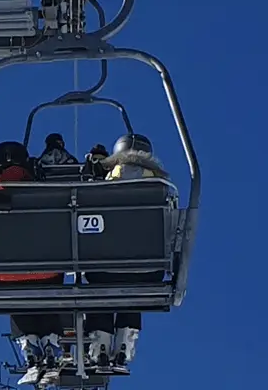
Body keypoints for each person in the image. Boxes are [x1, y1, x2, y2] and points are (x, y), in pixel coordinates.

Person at [0, 141, 65, 386]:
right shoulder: (44, 190)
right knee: (48, 282)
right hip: (47, 270)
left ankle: (30, 347)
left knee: (14, 289)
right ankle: (51, 343)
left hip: (4, 271)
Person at [79, 133, 170, 372]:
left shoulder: (104, 185)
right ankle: (125, 341)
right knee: (136, 280)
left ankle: (99, 342)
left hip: (104, 270)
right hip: (149, 270)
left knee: (101, 280)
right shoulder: (161, 189)